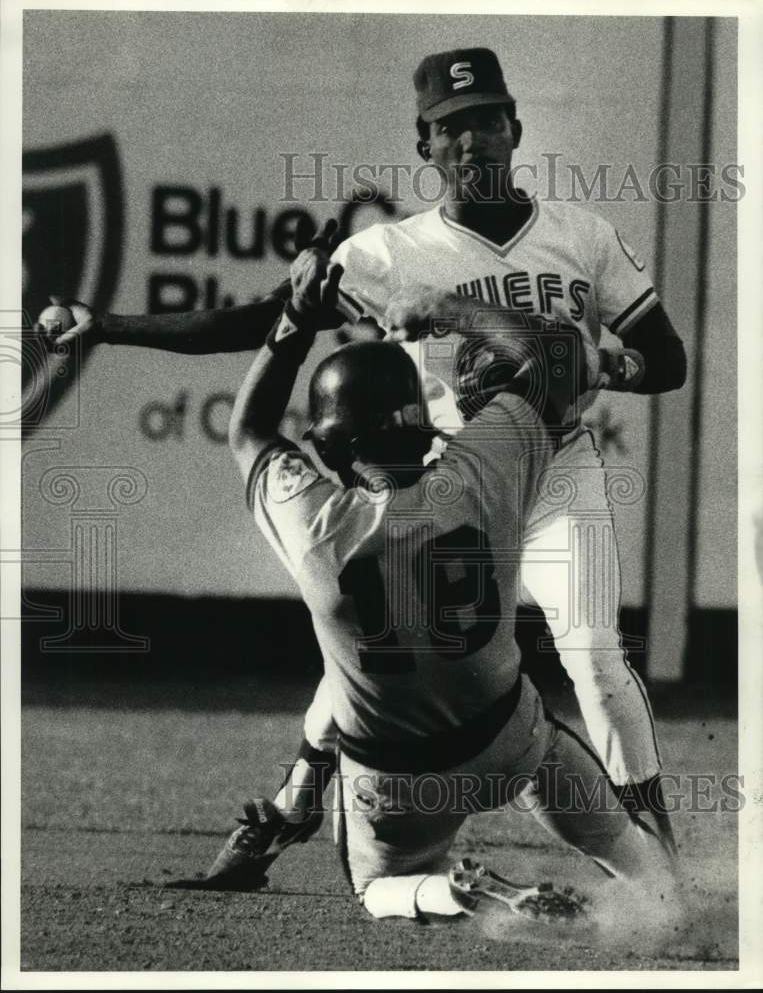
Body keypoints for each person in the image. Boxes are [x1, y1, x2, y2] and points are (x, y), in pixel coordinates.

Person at [37, 46, 685, 883]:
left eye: (486, 120)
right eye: (450, 129)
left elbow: (663, 357)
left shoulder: (580, 236)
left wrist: (613, 367)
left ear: (515, 129)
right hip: (450, 481)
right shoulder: (388, 252)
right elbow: (266, 319)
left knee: (594, 656)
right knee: (380, 658)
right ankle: (286, 810)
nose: (471, 141)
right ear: (424, 148)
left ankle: (655, 855)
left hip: (555, 468)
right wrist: (111, 326)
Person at [198, 240, 677, 921]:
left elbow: (247, 430)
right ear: (423, 428)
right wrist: (453, 309)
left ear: (328, 446)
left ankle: (453, 894)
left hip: (395, 780)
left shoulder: (316, 522)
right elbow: (558, 358)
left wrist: (294, 322)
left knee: (373, 890)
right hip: (510, 740)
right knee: (602, 822)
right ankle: (666, 897)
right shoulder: (483, 468)